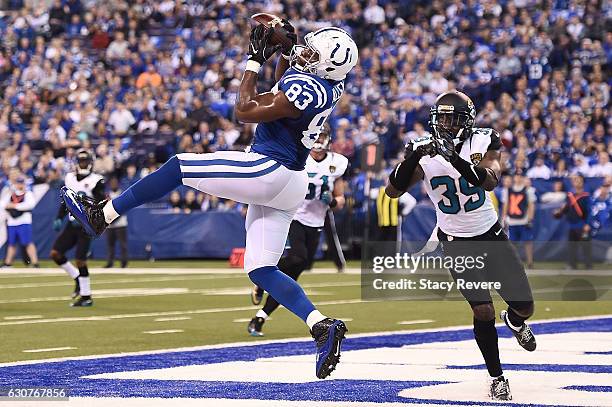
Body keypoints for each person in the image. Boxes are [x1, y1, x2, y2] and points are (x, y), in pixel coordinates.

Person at [60, 23, 358, 379]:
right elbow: (283, 87)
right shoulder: (330, 85)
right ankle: (321, 324)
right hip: (291, 181)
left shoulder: (308, 87)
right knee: (261, 269)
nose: (305, 55)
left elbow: (245, 110)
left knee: (178, 166)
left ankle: (102, 216)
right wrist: (283, 50)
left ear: (326, 65)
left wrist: (252, 62)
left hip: (267, 169)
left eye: (314, 54)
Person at [385, 91, 536, 401]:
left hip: (490, 234)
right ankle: (497, 377)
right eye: (441, 118)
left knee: (525, 306)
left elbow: (490, 181)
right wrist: (415, 155)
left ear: (467, 122)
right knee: (483, 311)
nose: (446, 125)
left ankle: (516, 320)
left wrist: (453, 157)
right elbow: (392, 191)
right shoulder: (421, 149)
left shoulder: (484, 141)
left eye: (452, 119)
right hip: (455, 242)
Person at [248, 126, 348, 336]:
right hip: (293, 215)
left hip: (316, 220)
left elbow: (341, 199)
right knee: (297, 257)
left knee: (294, 272)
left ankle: (260, 316)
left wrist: (332, 202)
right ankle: (263, 274)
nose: (318, 140)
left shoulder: (336, 163)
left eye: (322, 136)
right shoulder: (299, 157)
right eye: (316, 135)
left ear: (328, 139)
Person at [52, 149, 105, 307]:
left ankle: (86, 296)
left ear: (90, 163)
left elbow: (102, 203)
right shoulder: (69, 178)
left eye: (85, 161)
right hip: (71, 223)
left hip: (86, 224)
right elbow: (66, 201)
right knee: (55, 253)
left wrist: (88, 205)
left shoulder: (97, 180)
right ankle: (76, 277)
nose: (83, 164)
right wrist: (59, 218)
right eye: (81, 161)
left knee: (80, 259)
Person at [553, 175, 592, 269]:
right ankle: (572, 264)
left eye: (579, 181)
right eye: (575, 181)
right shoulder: (569, 195)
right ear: (573, 183)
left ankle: (588, 265)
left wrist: (587, 223)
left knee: (585, 246)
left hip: (582, 225)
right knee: (572, 247)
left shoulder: (586, 196)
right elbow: (567, 208)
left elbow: (589, 211)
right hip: (571, 225)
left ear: (583, 183)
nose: (577, 182)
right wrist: (559, 212)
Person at [1, 176, 39, 268]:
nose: (19, 185)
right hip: (12, 222)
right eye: (18, 183)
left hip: (24, 221)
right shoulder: (11, 194)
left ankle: (35, 263)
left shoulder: (28, 193)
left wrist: (14, 206)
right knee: (11, 243)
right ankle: (8, 263)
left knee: (28, 242)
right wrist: (13, 206)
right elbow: (3, 204)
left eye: (21, 183)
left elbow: (30, 205)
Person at [501, 170, 536, 268]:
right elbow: (506, 205)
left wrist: (530, 218)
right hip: (512, 220)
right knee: (512, 243)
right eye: (516, 176)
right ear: (514, 177)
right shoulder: (507, 190)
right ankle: (513, 262)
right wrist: (503, 218)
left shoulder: (528, 189)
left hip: (524, 220)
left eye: (520, 176)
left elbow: (531, 205)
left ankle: (530, 262)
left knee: (528, 242)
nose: (518, 178)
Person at [104, 177, 128, 268]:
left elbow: (122, 209)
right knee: (110, 245)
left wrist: (113, 219)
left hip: (121, 224)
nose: (113, 184)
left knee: (123, 244)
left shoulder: (122, 194)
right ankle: (110, 262)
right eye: (112, 183)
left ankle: (124, 263)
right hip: (110, 225)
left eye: (115, 183)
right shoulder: (107, 195)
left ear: (118, 184)